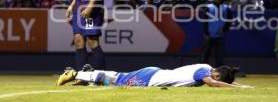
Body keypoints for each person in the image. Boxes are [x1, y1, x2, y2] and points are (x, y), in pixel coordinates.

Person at [57, 63, 251, 88]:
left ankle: (89, 76)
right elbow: (212, 84)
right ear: (217, 75)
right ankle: (75, 74)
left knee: (119, 77)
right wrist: (239, 87)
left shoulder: (207, 66)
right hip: (151, 78)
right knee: (117, 82)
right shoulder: (204, 73)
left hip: (154, 74)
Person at [201, 0, 232, 67]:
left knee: (219, 58)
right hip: (209, 36)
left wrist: (224, 29)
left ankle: (219, 75)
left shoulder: (226, 8)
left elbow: (229, 21)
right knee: (204, 57)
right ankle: (204, 74)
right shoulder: (209, 7)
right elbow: (205, 21)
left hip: (220, 36)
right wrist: (206, 33)